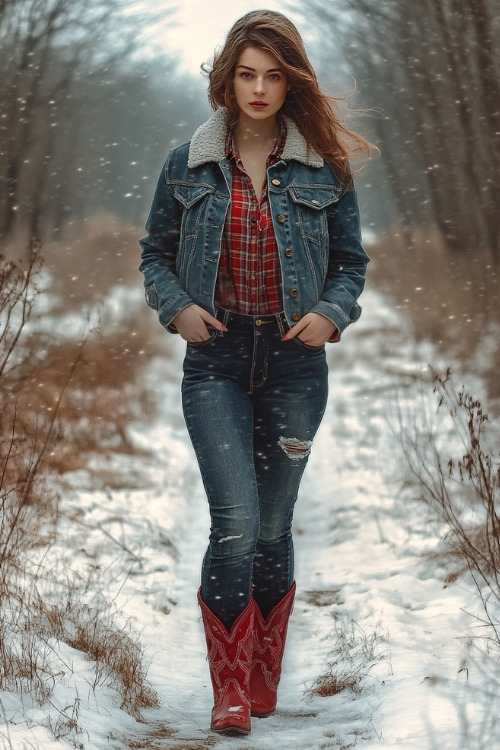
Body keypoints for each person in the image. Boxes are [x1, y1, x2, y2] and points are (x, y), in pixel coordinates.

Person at [139, 9, 372, 736]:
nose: (260, 89)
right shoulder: (188, 163)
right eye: (247, 74)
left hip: (298, 364)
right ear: (228, 79)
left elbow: (350, 263)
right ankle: (230, 689)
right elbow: (154, 252)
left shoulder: (324, 167)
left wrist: (334, 312)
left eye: (274, 75)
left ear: (291, 80)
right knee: (236, 522)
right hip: (215, 359)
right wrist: (175, 306)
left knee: (273, 525)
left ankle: (265, 670)